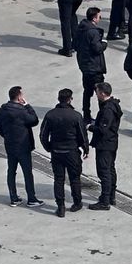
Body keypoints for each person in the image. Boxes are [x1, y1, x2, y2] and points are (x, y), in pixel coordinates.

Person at [40, 87, 89, 216]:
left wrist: (48, 148)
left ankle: (60, 206)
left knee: (59, 179)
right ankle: (77, 203)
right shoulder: (76, 116)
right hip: (72, 152)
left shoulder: (50, 115)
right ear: (69, 100)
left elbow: (43, 135)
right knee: (75, 179)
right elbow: (82, 135)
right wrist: (85, 148)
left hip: (56, 152)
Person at [0, 85, 43, 208]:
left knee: (11, 171)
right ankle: (31, 199)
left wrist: (7, 136)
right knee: (27, 173)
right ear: (19, 96)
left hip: (10, 145)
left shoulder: (2, 110)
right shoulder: (21, 111)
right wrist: (27, 105)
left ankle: (13, 198)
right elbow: (34, 120)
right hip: (23, 145)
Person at [89, 82, 123, 210]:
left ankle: (105, 200)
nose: (96, 94)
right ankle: (110, 196)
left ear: (102, 93)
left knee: (104, 172)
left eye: (97, 92)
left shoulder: (108, 109)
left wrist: (90, 127)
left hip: (105, 144)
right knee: (110, 169)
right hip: (111, 142)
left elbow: (103, 129)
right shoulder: (113, 105)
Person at [76, 6, 107, 123]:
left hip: (84, 66)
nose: (100, 18)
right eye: (99, 16)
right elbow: (97, 49)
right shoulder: (93, 32)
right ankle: (103, 117)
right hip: (94, 67)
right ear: (94, 18)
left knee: (87, 92)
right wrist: (104, 44)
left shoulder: (81, 28)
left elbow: (75, 45)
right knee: (101, 92)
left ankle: (87, 116)